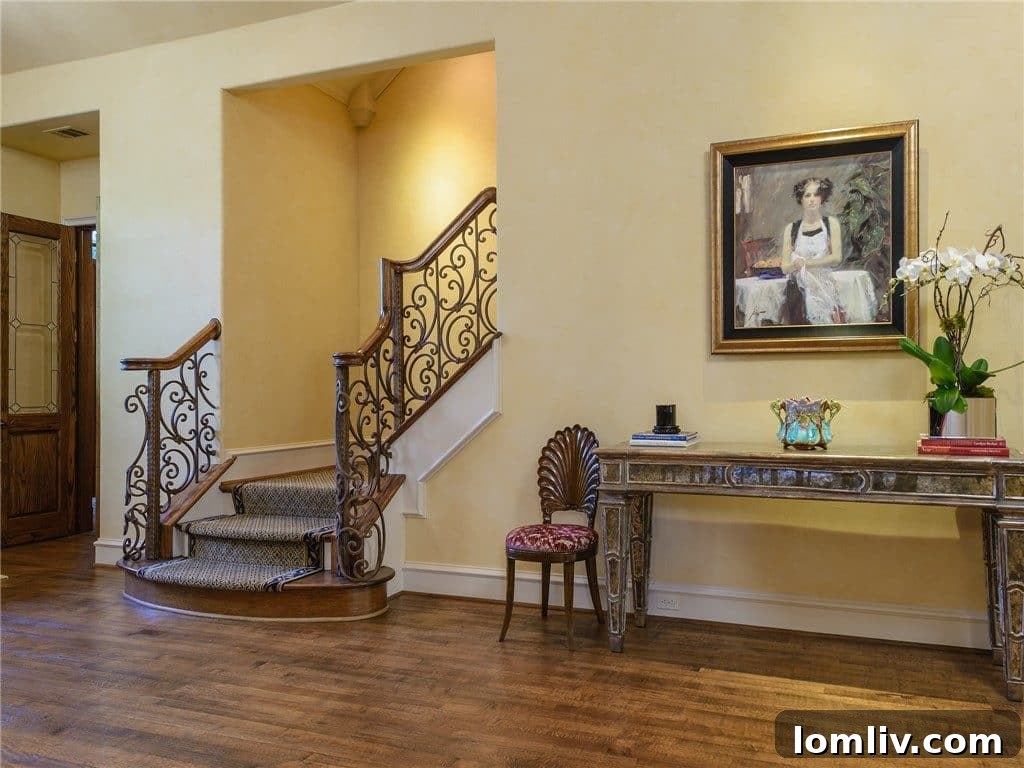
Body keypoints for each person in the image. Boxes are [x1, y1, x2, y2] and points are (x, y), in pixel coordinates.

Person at [780, 177, 845, 325]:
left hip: (824, 286)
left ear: (822, 198)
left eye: (816, 195)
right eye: (807, 195)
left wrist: (807, 263)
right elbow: (784, 267)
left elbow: (836, 258)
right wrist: (796, 265)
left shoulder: (831, 224)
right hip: (799, 290)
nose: (812, 200)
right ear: (801, 199)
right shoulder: (792, 229)